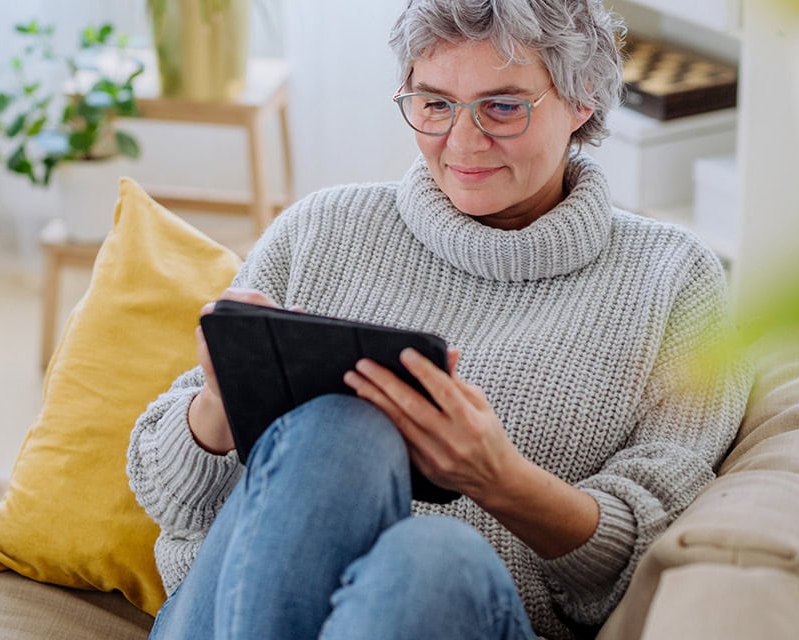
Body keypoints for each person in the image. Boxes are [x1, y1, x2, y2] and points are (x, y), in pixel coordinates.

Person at [126, 0, 750, 637]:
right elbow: (167, 494)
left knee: (432, 560)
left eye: (502, 107)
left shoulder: (673, 280)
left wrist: (499, 480)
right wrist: (219, 403)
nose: (462, 140)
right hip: (225, 611)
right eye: (434, 104)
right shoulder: (322, 229)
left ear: (583, 97)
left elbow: (649, 554)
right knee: (341, 427)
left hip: (453, 610)